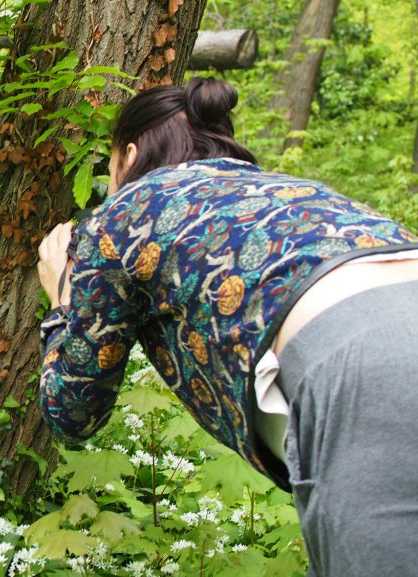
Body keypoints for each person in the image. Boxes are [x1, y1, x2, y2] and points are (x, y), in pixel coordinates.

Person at [36, 77, 418, 577]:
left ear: (128, 155)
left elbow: (73, 413)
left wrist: (64, 303)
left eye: (109, 166)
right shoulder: (287, 188)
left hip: (364, 362)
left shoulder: (123, 212)